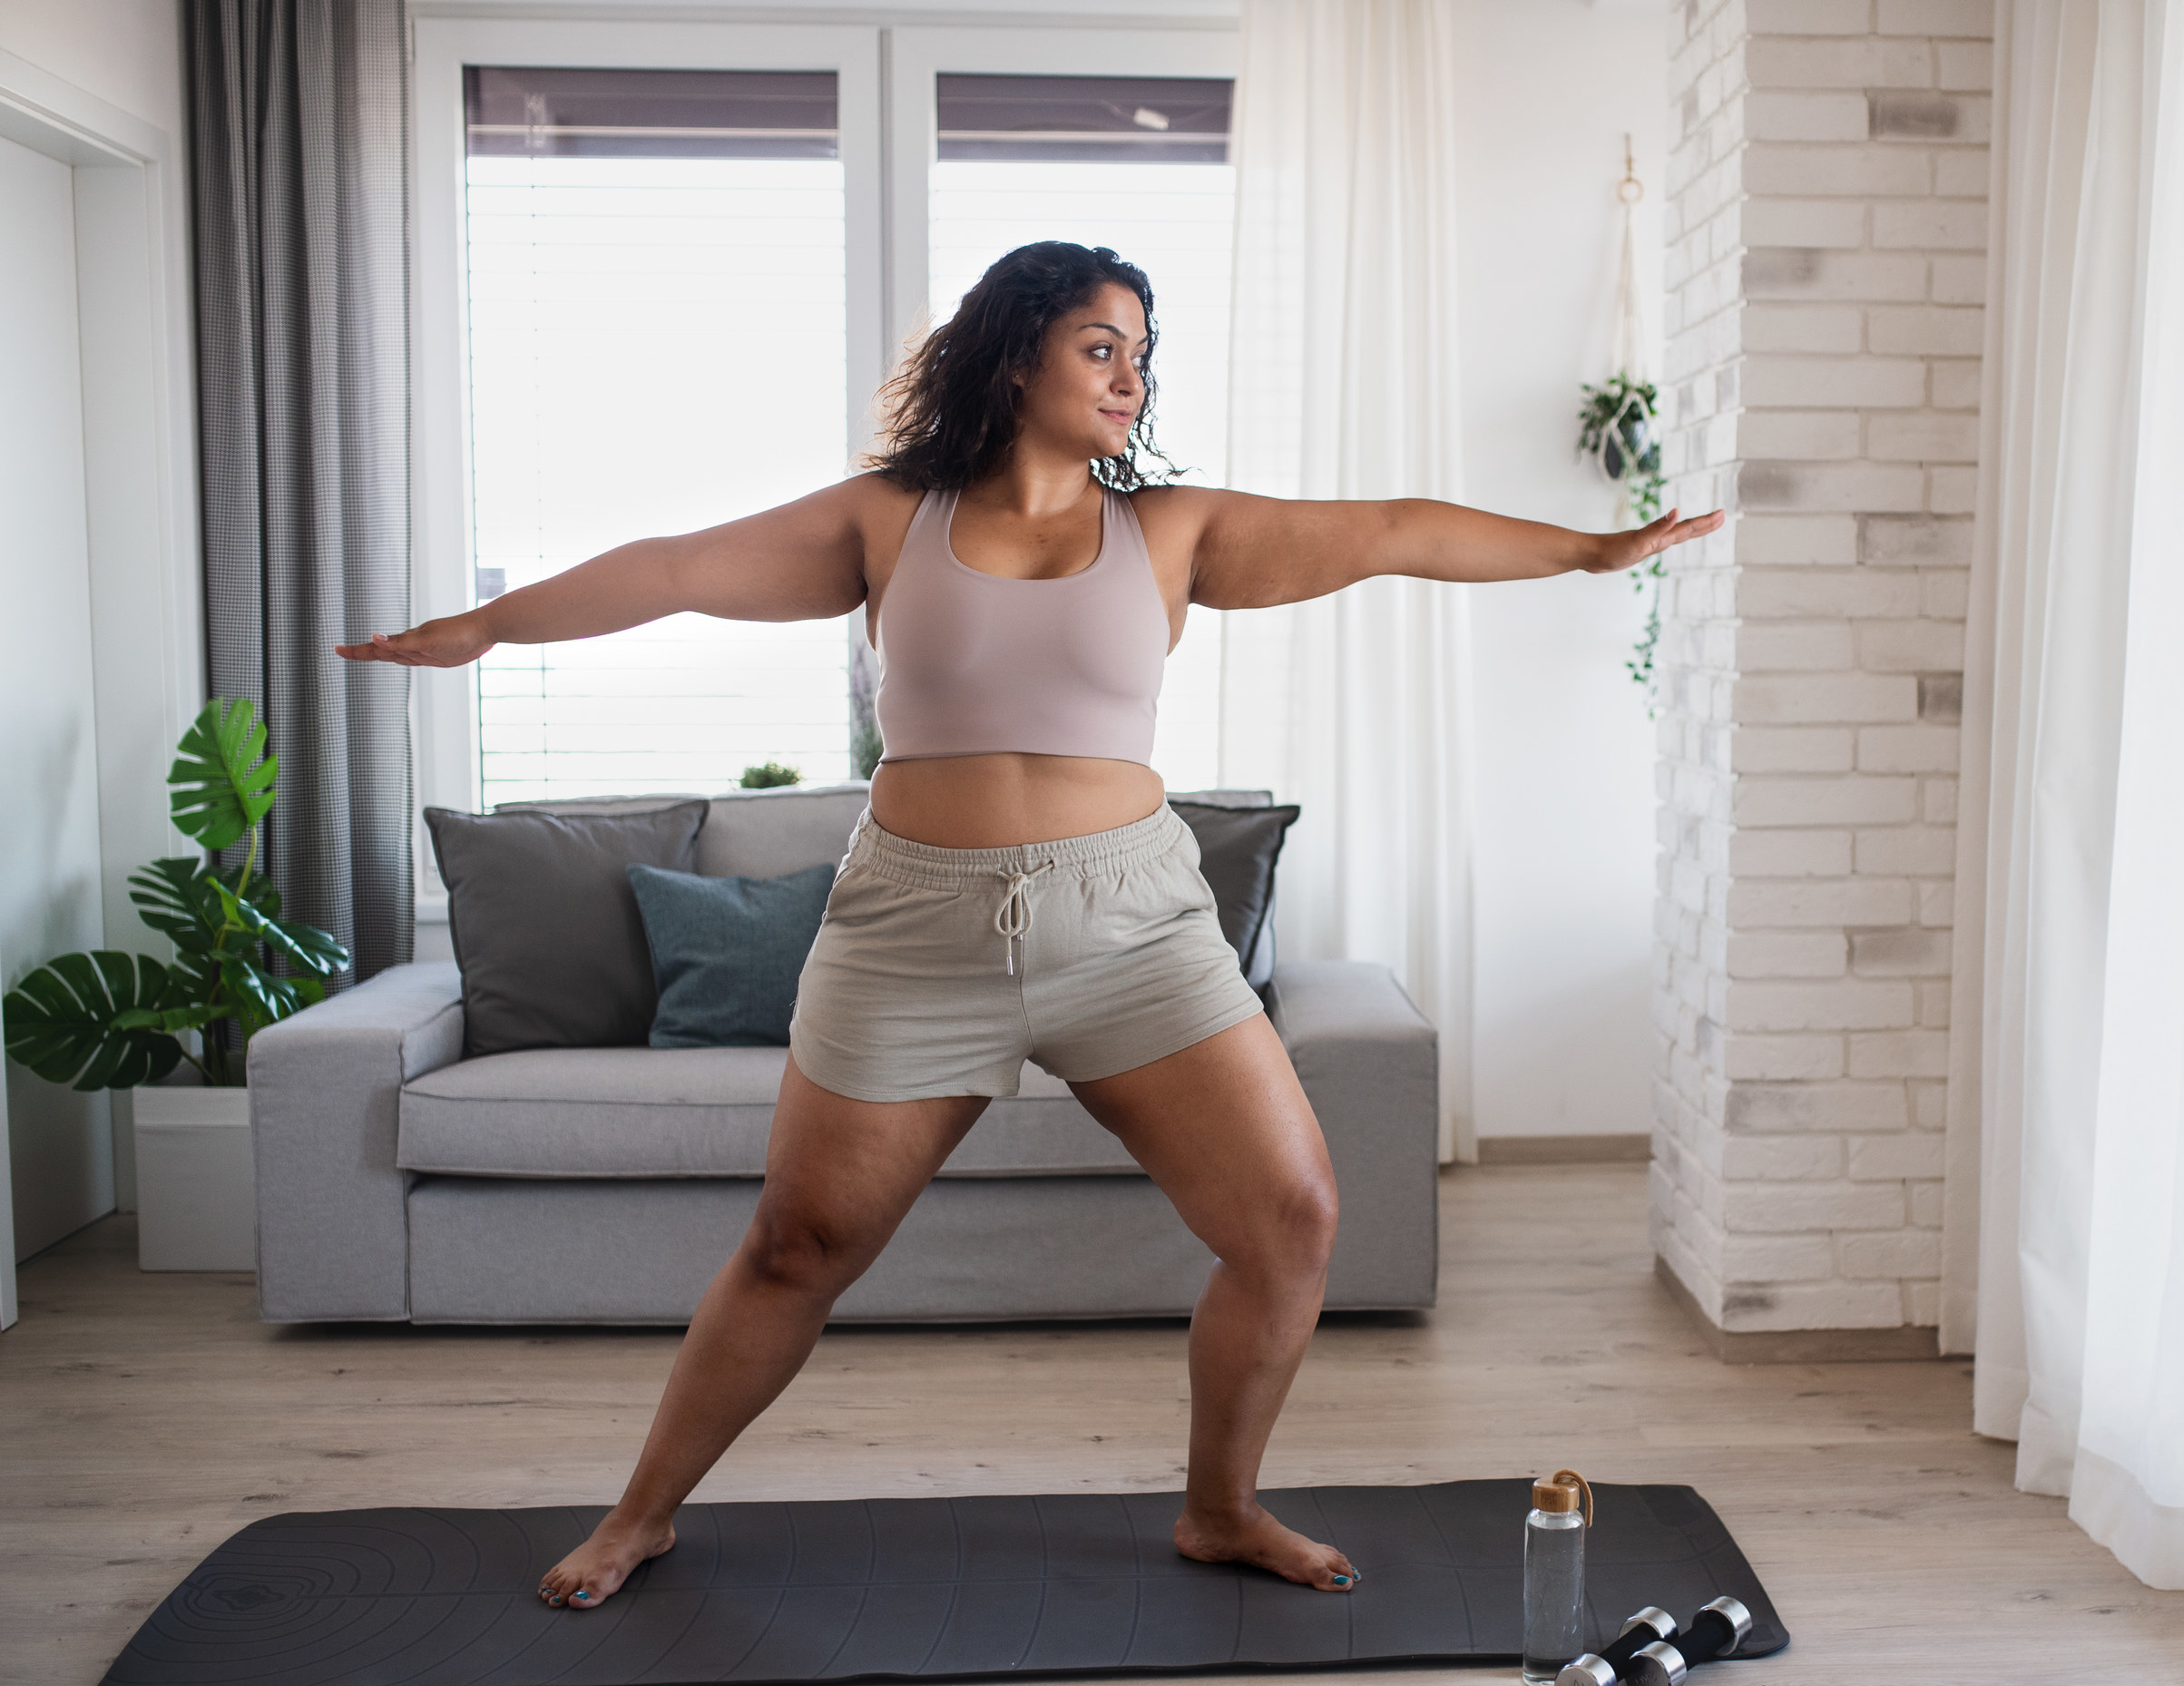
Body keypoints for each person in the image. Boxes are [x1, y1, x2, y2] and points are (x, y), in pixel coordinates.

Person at [340, 240, 1722, 1609]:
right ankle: (640, 1516)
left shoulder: (1169, 529)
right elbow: (677, 569)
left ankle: (1220, 1508)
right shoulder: (891, 517)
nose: (1130, 376)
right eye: (1100, 345)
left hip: (1133, 926)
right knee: (797, 1247)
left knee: (1292, 1217)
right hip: (909, 933)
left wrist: (1592, 553)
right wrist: (491, 628)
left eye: (1141, 353)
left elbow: (1394, 530)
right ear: (1016, 354)